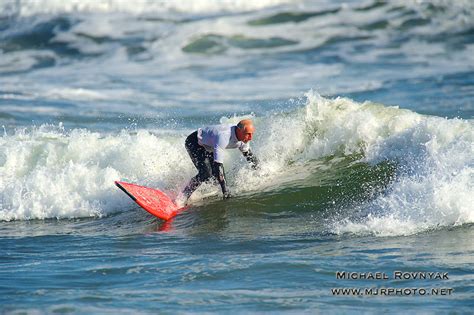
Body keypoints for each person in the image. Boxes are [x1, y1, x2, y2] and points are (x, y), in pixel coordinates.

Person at [177, 119, 259, 206]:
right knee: (206, 173)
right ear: (239, 130)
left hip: (210, 145)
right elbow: (218, 164)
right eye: (248, 134)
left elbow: (249, 156)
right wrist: (225, 191)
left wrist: (259, 170)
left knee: (218, 181)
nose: (250, 138)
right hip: (195, 142)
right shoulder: (223, 136)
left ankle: (199, 193)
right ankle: (183, 196)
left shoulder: (244, 139)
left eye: (252, 134)